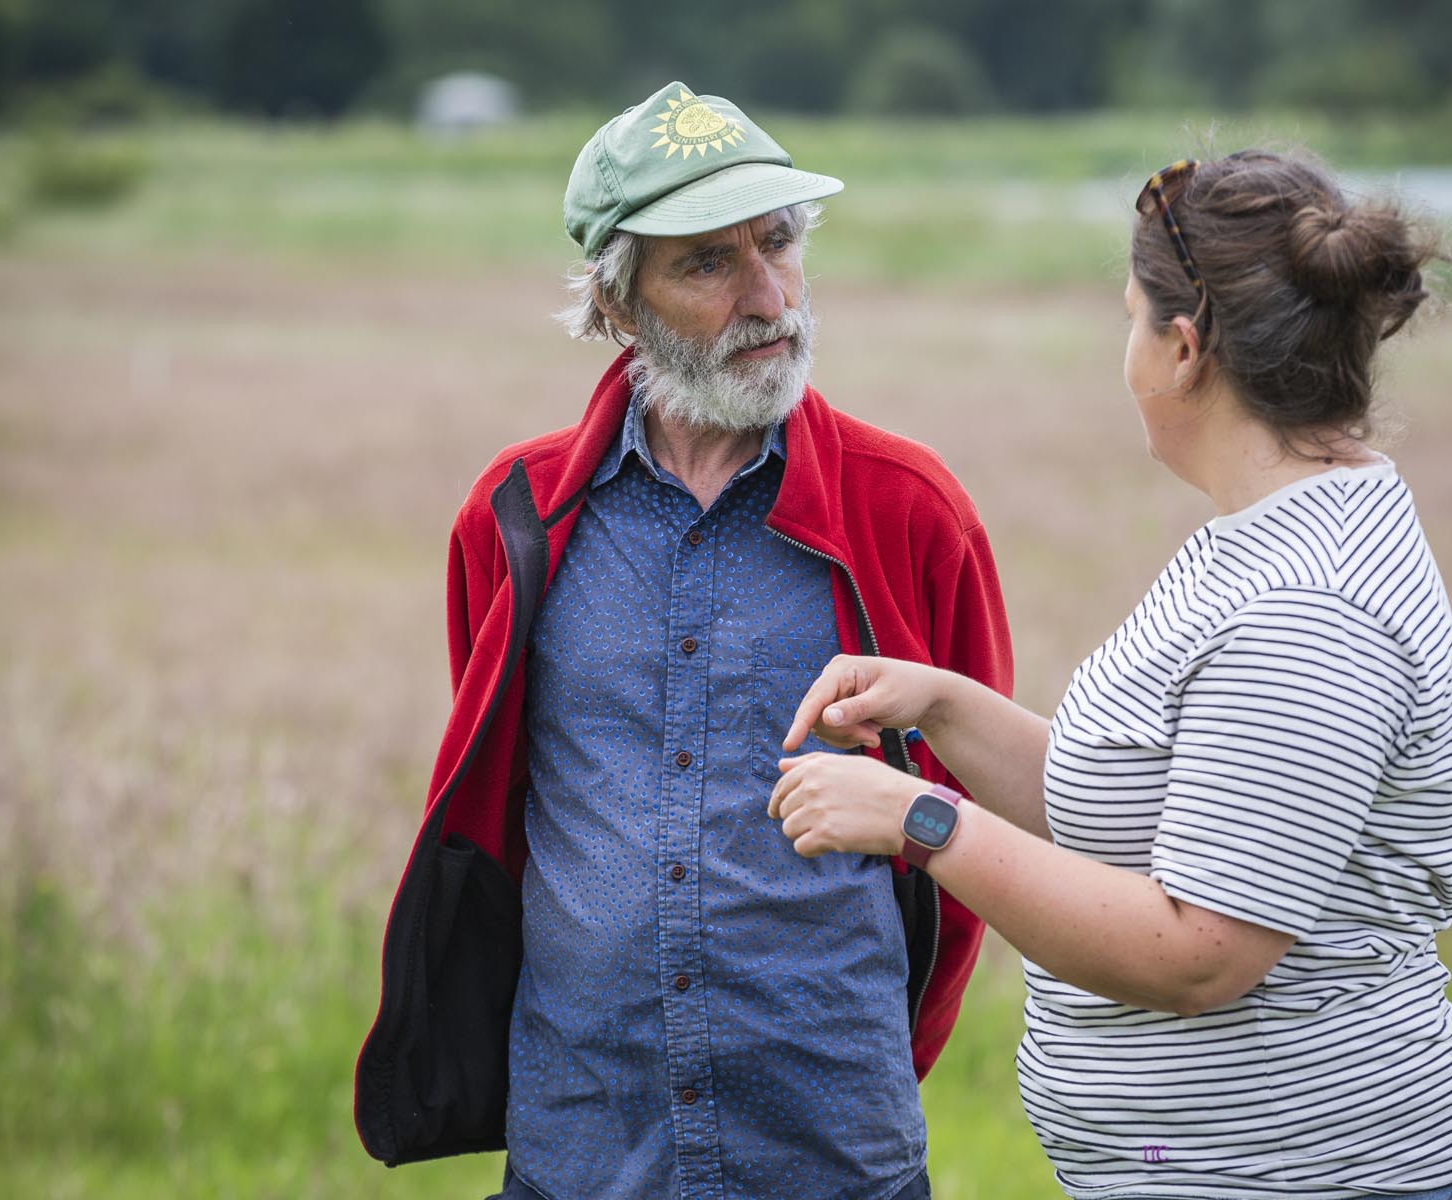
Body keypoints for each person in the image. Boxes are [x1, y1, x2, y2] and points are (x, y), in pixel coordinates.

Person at [769, 150, 1452, 1199]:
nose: (1126, 352)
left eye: (1131, 319)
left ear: (1187, 347)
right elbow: (1146, 806)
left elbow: (1198, 952)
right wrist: (943, 705)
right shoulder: (1267, 536)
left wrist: (920, 821)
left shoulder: (1309, 614)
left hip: (1307, 1175)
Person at [353, 82, 1013, 1200]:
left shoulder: (908, 509)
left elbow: (968, 840)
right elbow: (498, 806)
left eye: (779, 242)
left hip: (833, 1155)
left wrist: (866, 1070)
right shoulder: (513, 520)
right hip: (580, 1150)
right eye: (708, 263)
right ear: (621, 304)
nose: (768, 295)